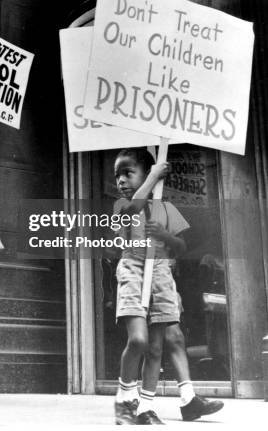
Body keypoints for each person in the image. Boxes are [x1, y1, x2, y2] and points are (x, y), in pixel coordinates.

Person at [112, 148, 222, 424]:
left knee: (158, 346)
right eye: (117, 175)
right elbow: (133, 209)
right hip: (134, 269)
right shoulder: (121, 205)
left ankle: (146, 407)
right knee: (138, 339)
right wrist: (152, 176)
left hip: (160, 272)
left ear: (147, 174)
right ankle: (125, 396)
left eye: (128, 173)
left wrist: (164, 236)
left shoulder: (165, 208)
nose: (121, 180)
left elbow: (182, 246)